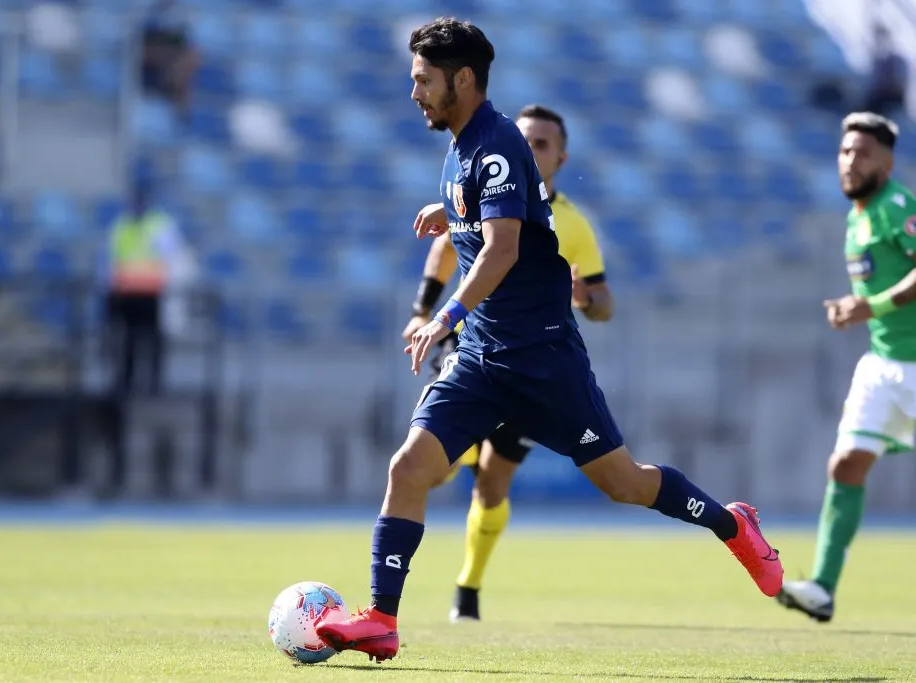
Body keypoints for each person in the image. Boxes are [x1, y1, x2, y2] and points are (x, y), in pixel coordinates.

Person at [315, 17, 783, 662]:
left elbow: (502, 251)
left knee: (625, 484)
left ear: (464, 78)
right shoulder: (461, 146)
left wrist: (443, 316)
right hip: (483, 359)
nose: (414, 92)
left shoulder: (499, 143)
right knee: (409, 468)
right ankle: (381, 619)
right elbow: (485, 222)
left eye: (423, 80)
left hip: (543, 360)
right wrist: (447, 211)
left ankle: (734, 525)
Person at [403, 103, 613, 623]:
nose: (530, 150)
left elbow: (606, 304)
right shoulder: (486, 189)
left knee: (492, 484)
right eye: (524, 141)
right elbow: (447, 249)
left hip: (533, 363)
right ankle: (462, 450)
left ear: (561, 158)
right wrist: (422, 310)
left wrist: (584, 293)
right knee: (432, 470)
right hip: (473, 346)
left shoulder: (574, 226)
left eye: (542, 144)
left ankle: (467, 589)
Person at [778, 112, 916, 623]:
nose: (850, 161)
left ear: (887, 161)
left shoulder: (897, 207)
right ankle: (822, 587)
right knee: (846, 465)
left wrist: (870, 306)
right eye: (844, 152)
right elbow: (875, 293)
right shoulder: (858, 216)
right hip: (882, 364)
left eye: (862, 152)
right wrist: (852, 308)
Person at [106, 180, 185, 395]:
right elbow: (112, 261)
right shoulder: (121, 226)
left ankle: (154, 382)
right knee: (128, 340)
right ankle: (126, 382)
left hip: (151, 292)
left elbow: (174, 258)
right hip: (126, 292)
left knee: (152, 340)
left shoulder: (159, 226)